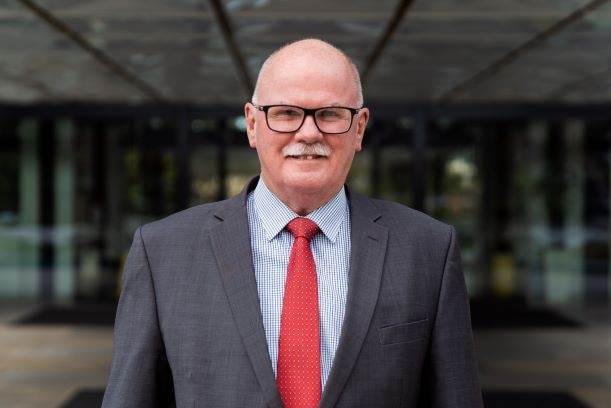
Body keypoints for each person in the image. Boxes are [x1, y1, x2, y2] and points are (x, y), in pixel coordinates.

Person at [102, 38, 483, 408]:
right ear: (252, 124)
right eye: (286, 113)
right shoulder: (162, 251)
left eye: (330, 113)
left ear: (360, 128)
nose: (308, 133)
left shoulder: (428, 249)